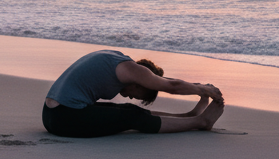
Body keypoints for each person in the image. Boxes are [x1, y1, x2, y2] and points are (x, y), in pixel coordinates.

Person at [42, 49, 225, 138]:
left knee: (125, 110)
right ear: (140, 83)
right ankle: (201, 121)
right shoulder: (132, 71)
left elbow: (164, 81)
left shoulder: (118, 61)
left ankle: (188, 116)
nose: (129, 96)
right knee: (133, 115)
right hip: (65, 119)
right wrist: (205, 90)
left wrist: (198, 87)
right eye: (136, 95)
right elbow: (172, 86)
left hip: (52, 115)